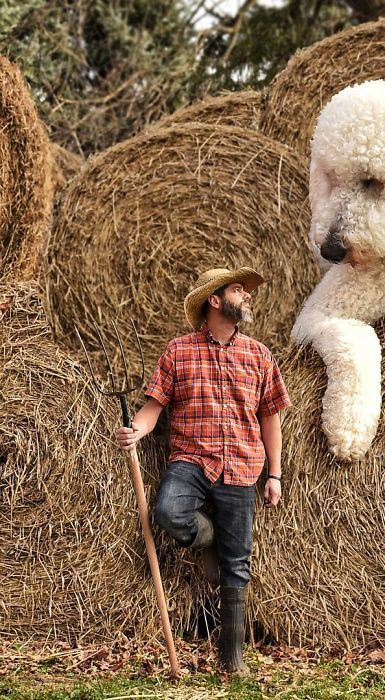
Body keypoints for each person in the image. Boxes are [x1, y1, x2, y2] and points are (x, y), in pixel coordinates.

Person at [116, 266, 291, 674]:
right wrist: (135, 431)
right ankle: (207, 533)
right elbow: (153, 408)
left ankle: (232, 658)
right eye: (238, 290)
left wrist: (276, 475)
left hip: (242, 466)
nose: (247, 296)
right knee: (168, 513)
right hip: (191, 462)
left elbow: (271, 419)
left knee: (237, 561)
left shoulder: (259, 355)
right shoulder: (178, 351)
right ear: (215, 300)